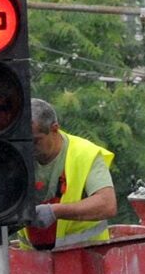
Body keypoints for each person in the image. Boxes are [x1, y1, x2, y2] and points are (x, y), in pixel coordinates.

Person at [24, 98, 118, 249]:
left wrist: (55, 211)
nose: (28, 147)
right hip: (33, 263)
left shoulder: (84, 154)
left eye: (35, 141)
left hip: (84, 261)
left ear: (54, 129)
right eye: (23, 141)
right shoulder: (14, 156)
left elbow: (107, 205)